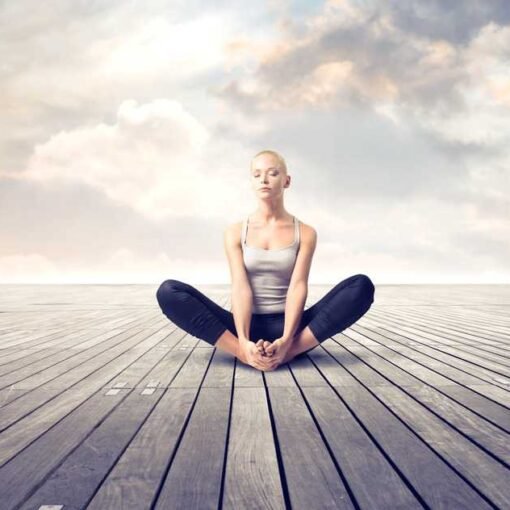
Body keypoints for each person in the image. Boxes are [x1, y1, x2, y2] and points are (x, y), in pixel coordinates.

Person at [156, 149, 375, 372]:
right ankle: (244, 353)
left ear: (286, 181)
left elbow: (297, 287)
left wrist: (287, 339)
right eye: (257, 174)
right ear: (251, 181)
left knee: (361, 286)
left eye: (272, 173)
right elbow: (241, 287)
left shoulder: (306, 233)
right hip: (244, 325)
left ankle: (288, 351)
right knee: (168, 292)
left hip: (292, 326)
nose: (264, 179)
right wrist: (242, 340)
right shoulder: (234, 232)